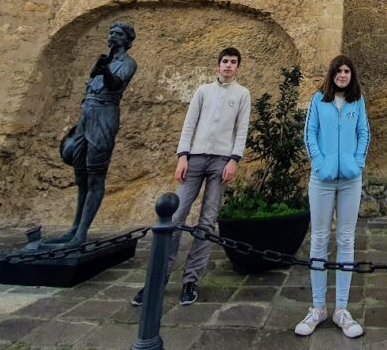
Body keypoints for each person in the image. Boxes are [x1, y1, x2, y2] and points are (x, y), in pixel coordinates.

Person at [132, 47, 251, 307]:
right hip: (194, 157)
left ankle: (191, 280)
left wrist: (234, 160)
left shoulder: (242, 94)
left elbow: (241, 129)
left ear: (238, 67)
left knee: (207, 222)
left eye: (233, 62)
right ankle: (157, 280)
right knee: (173, 218)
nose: (228, 66)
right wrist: (182, 156)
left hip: (221, 160)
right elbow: (190, 124)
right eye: (225, 62)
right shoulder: (203, 91)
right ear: (217, 66)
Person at [295, 55, 370, 339]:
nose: (342, 75)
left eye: (347, 71)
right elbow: (309, 134)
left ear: (352, 75)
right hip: (322, 180)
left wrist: (357, 161)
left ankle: (341, 309)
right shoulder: (319, 100)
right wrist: (319, 162)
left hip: (350, 179)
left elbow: (364, 133)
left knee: (347, 239)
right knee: (319, 238)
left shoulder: (357, 102)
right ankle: (317, 308)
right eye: (338, 71)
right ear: (332, 74)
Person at [48, 21, 138, 248]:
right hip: (86, 116)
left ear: (127, 40)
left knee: (96, 174)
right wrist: (99, 68)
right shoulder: (102, 60)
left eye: (118, 34)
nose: (113, 36)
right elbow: (89, 88)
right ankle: (74, 227)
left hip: (105, 116)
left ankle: (83, 232)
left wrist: (104, 70)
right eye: (111, 32)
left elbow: (116, 85)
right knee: (80, 176)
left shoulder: (128, 63)